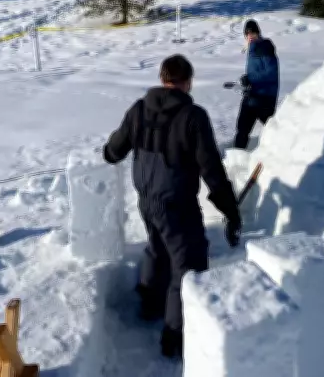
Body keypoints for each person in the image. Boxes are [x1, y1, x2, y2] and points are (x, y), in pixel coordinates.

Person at [102, 54, 242, 359]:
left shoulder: (139, 109)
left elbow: (114, 151)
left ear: (162, 78)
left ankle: (150, 303)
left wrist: (109, 152)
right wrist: (230, 208)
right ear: (187, 82)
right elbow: (211, 169)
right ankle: (174, 336)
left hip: (147, 200)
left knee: (156, 247)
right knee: (187, 264)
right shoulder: (193, 116)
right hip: (177, 203)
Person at [233, 19, 280, 149]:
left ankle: (281, 156)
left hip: (264, 97)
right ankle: (236, 160)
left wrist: (251, 79)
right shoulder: (253, 48)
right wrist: (247, 80)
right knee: (242, 129)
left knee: (273, 130)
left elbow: (271, 73)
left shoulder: (264, 47)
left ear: (258, 33)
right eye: (248, 33)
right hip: (252, 96)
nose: (250, 36)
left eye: (252, 33)